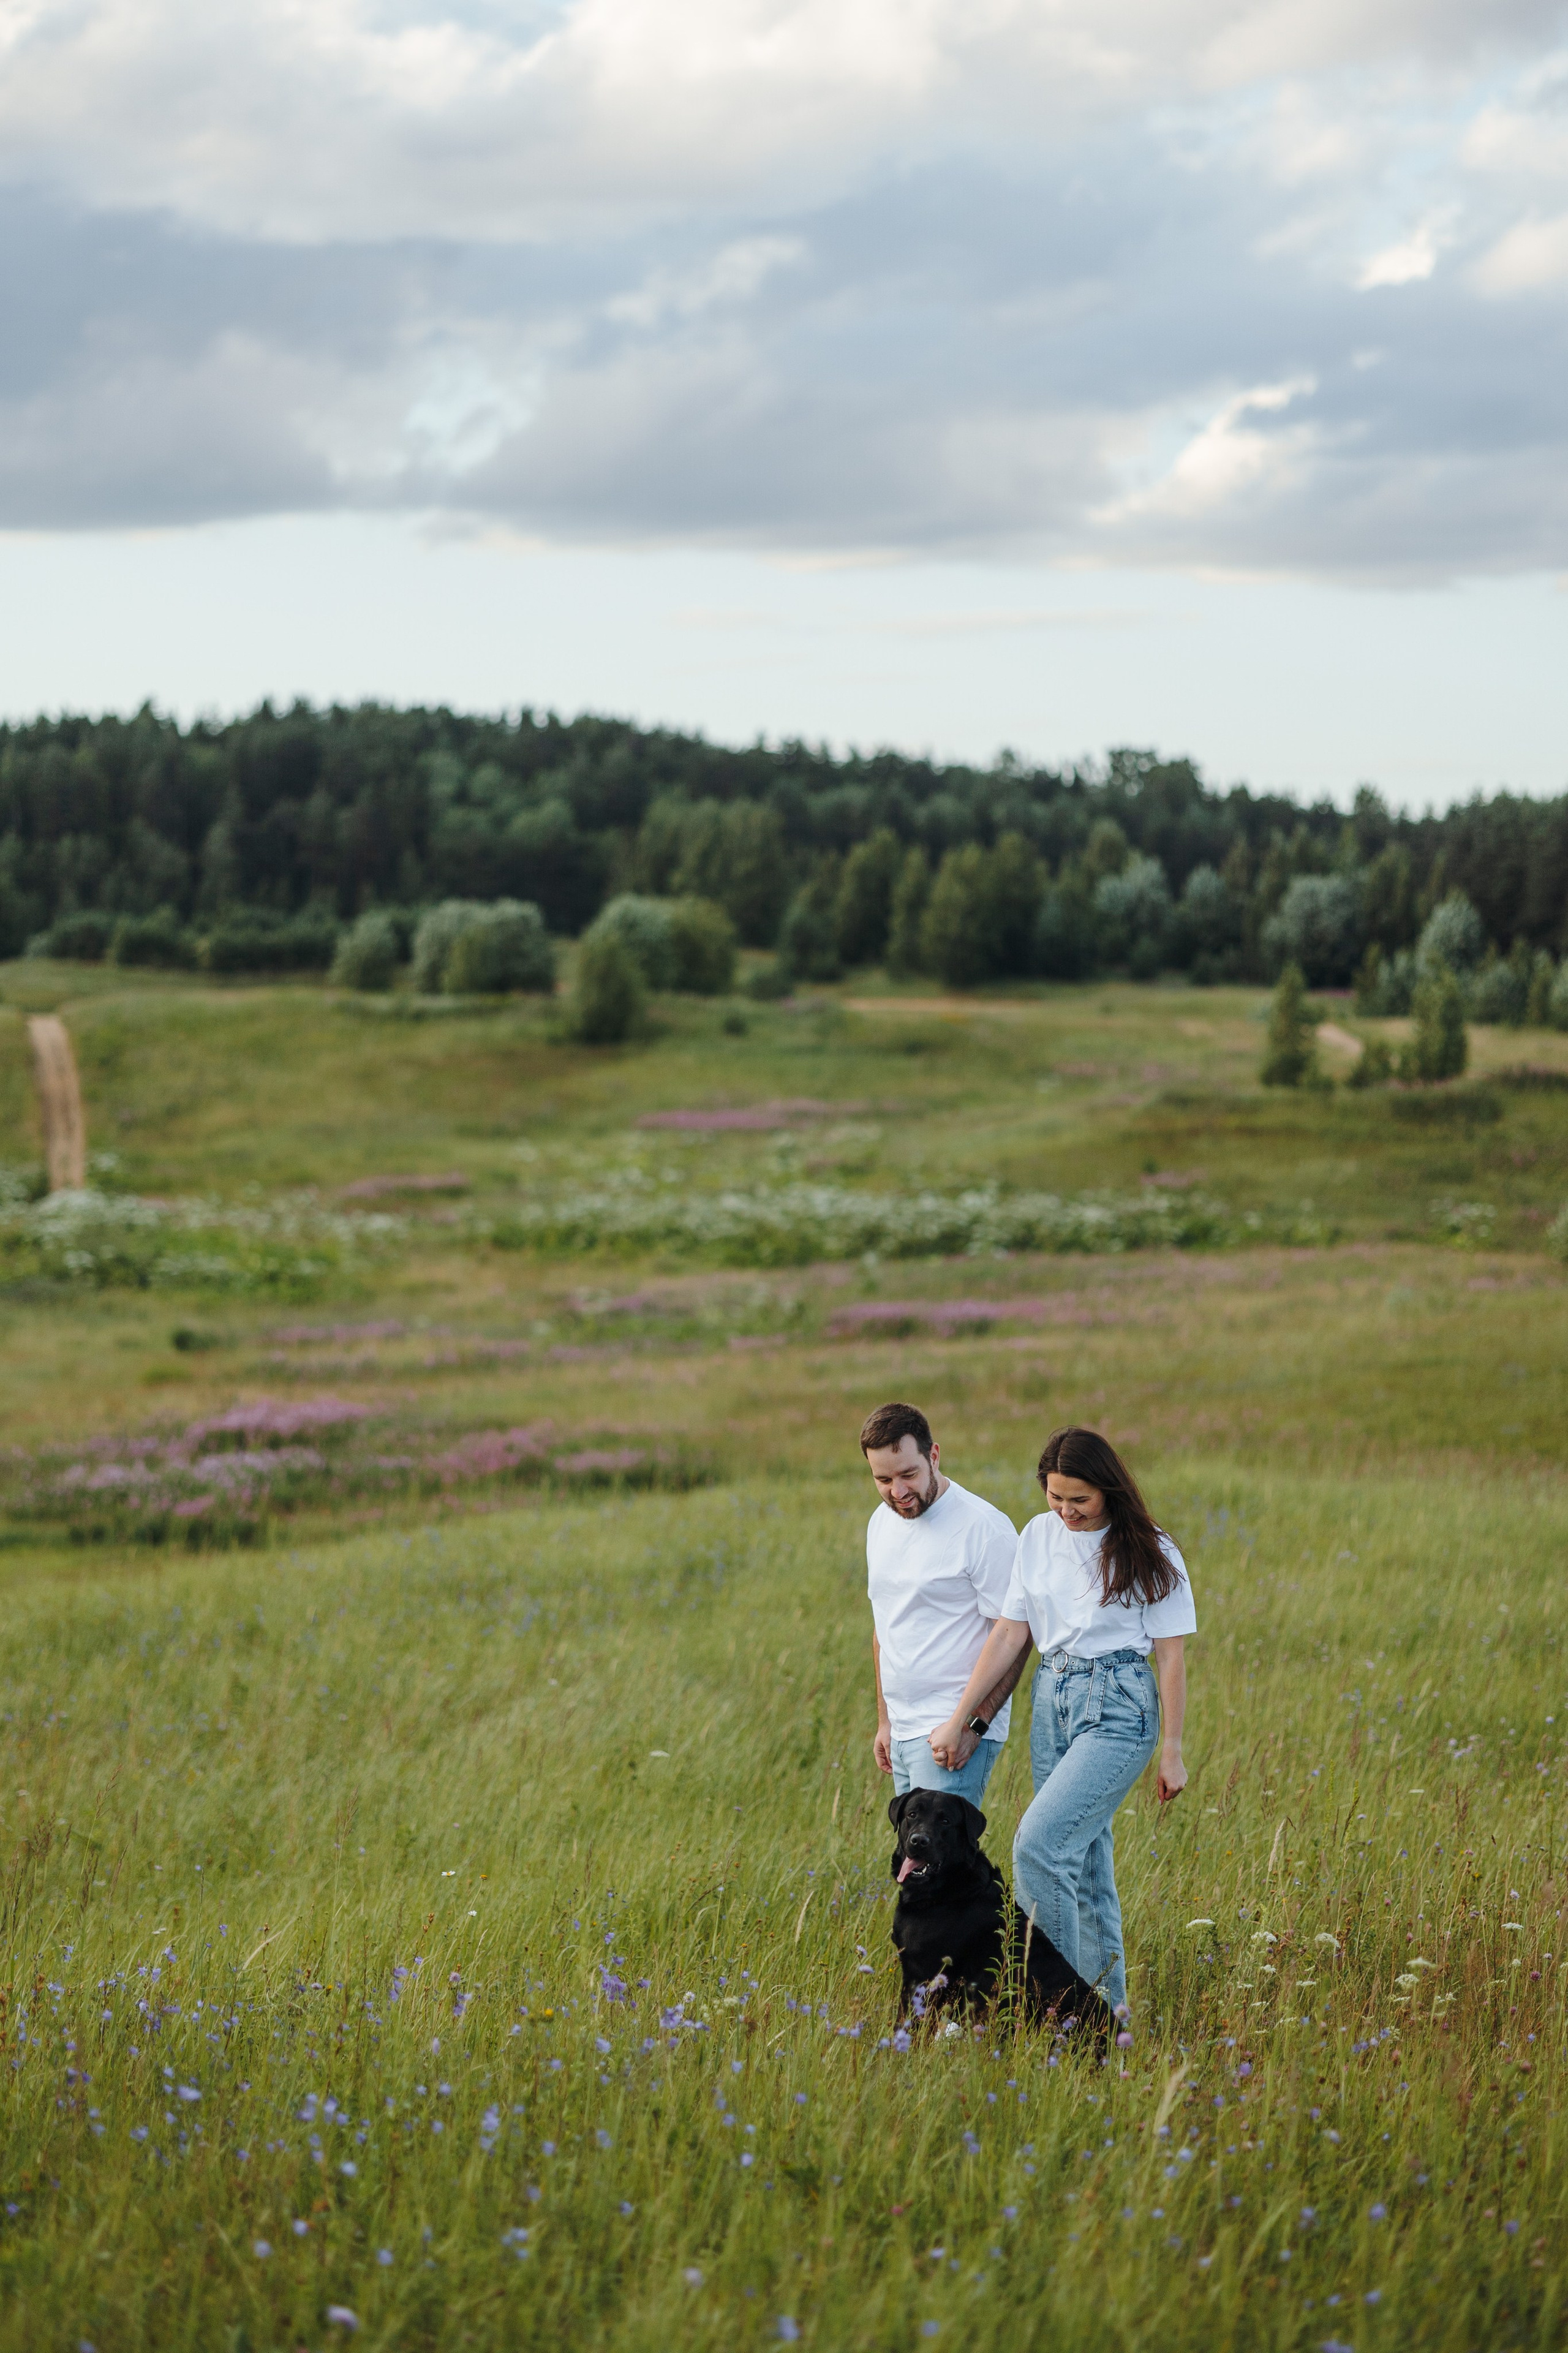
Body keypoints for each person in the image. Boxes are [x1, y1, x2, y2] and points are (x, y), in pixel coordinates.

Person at [929, 1425, 1193, 2016]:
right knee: (1087, 1863)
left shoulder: (1149, 1546)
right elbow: (1009, 1631)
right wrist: (961, 1717)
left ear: (1108, 1489)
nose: (1067, 1511)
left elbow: (1171, 1654)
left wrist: (1171, 1747)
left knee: (1039, 1846)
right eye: (1056, 1496)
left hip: (1121, 1705)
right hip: (1054, 1699)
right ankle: (1111, 2020)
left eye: (1080, 1499)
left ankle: (1060, 2011)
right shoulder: (1037, 1535)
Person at [862, 1400, 1028, 1807]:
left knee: (941, 1867)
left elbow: (1018, 1636)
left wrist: (971, 1726)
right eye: (883, 1479)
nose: (897, 1491)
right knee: (918, 1869)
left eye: (908, 1474)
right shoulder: (880, 1523)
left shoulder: (984, 1527)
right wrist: (886, 1721)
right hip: (902, 1730)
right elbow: (885, 1626)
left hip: (948, 1731)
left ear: (933, 1455)